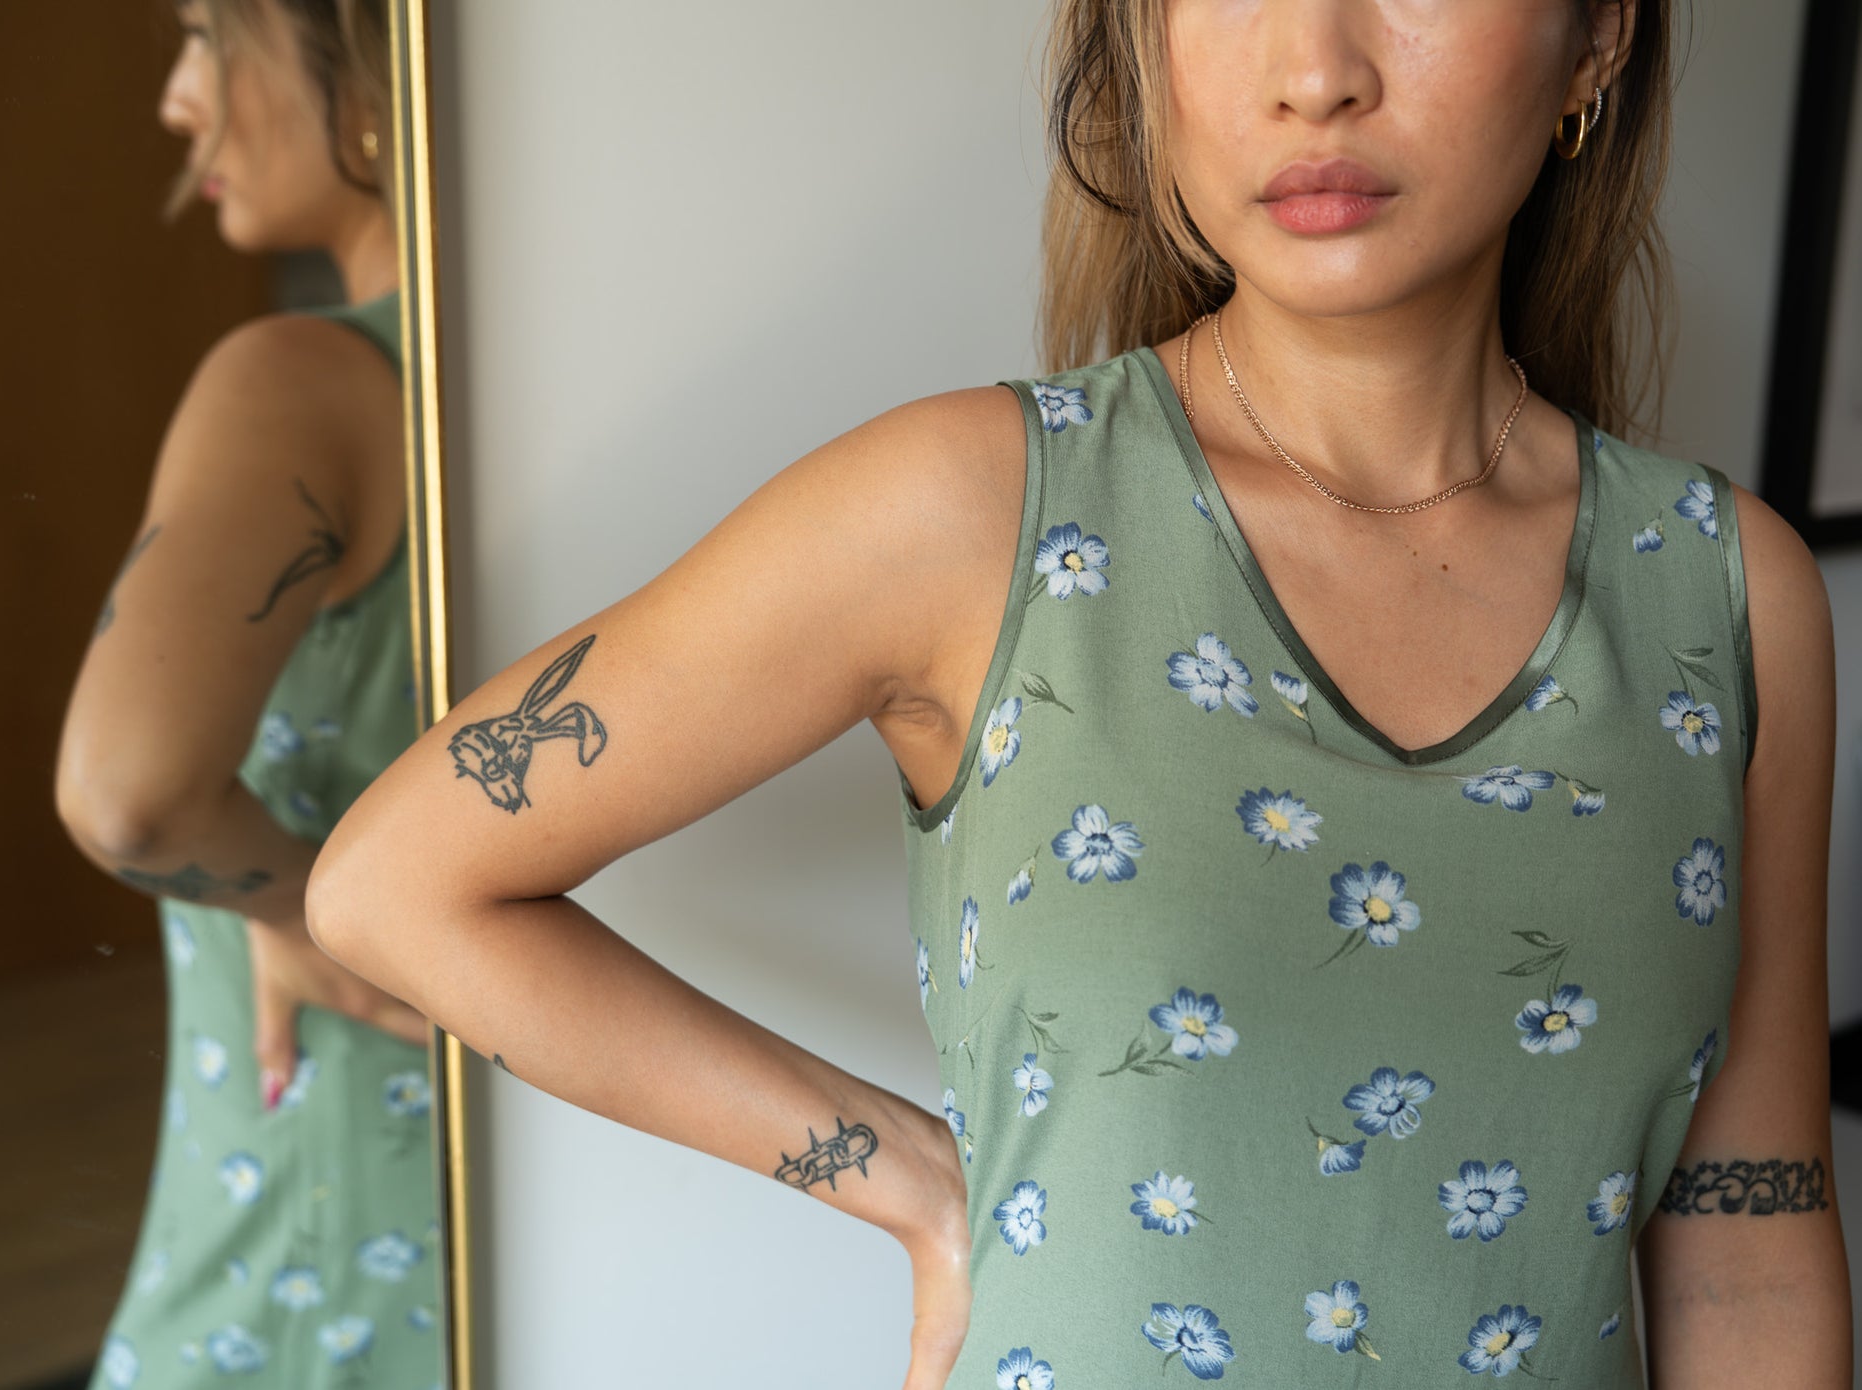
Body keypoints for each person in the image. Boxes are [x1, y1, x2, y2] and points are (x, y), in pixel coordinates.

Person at [308, 0, 1851, 1384]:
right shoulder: (967, 514)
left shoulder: (1724, 596)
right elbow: (398, 883)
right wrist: (907, 1180)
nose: (1314, 69)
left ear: (1594, 39)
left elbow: (1744, 1257)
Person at [56, 1, 440, 1381]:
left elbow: (130, 794)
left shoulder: (301, 382)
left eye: (213, 31)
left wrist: (291, 896)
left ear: (374, 61)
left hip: (313, 1185)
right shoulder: (538, 387)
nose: (178, 96)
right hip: (506, 1190)